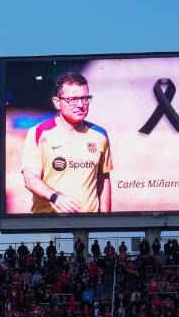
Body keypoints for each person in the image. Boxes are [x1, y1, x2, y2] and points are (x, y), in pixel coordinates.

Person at [20, 72, 113, 215]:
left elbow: (103, 180)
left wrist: (105, 220)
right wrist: (56, 197)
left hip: (88, 223)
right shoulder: (39, 132)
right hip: (49, 222)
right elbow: (30, 179)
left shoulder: (100, 135)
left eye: (85, 98)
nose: (80, 105)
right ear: (57, 102)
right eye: (72, 99)